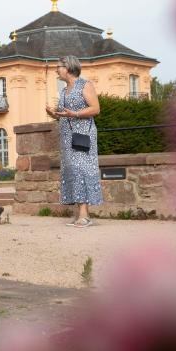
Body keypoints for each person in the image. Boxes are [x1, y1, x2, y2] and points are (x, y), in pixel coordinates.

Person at [45, 55, 103, 227]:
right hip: (67, 135)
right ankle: (80, 214)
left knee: (81, 170)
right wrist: (53, 114)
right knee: (72, 171)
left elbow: (96, 109)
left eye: (58, 66)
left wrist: (75, 114)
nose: (56, 69)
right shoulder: (63, 90)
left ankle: (84, 215)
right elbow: (66, 114)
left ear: (68, 68)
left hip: (83, 135)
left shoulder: (85, 85)